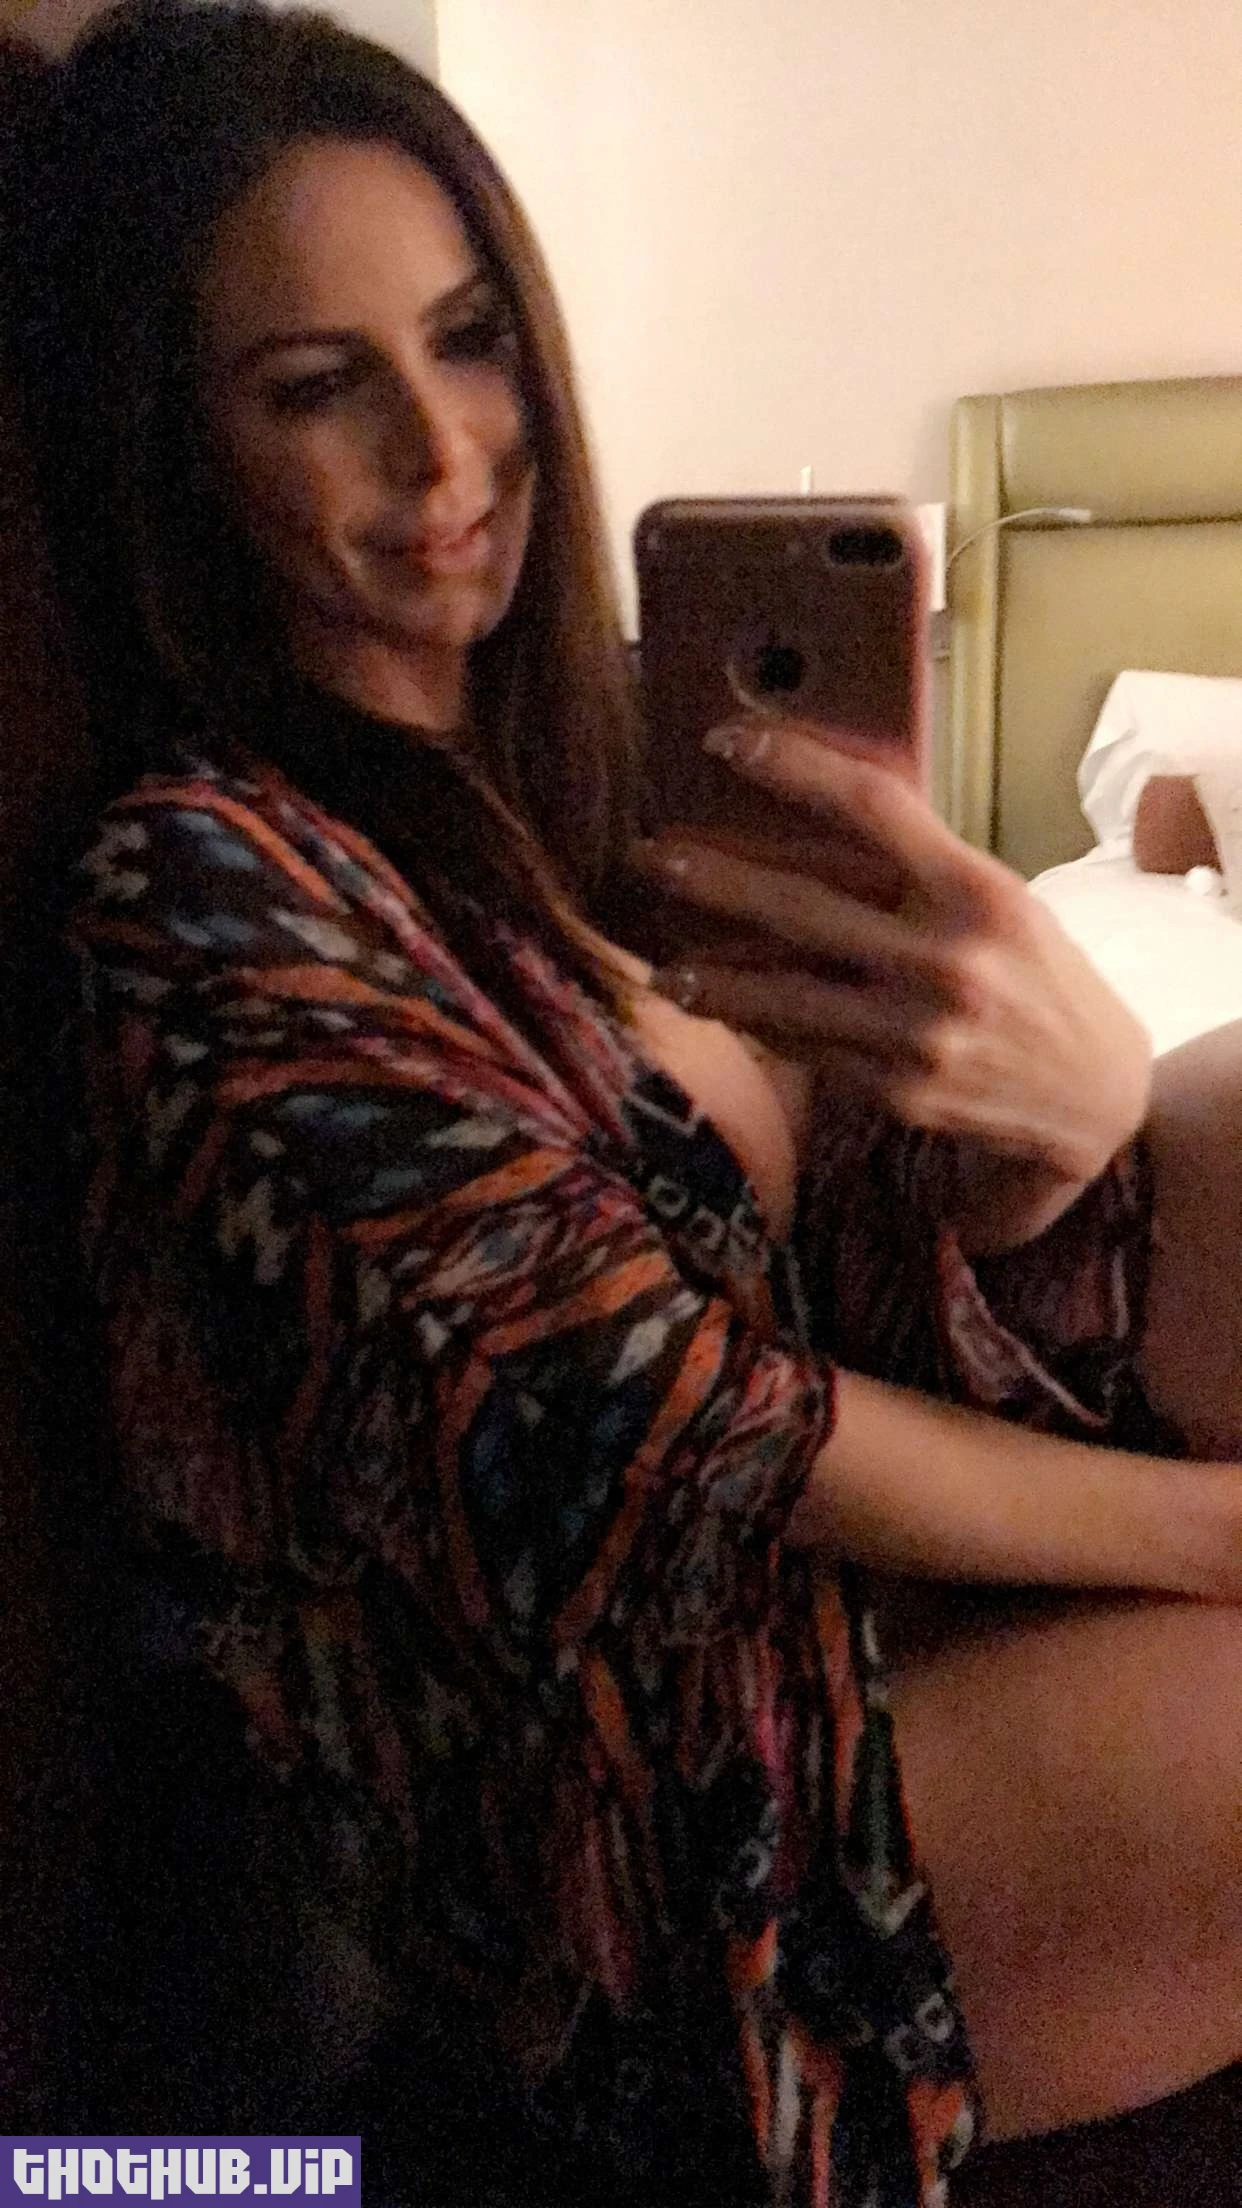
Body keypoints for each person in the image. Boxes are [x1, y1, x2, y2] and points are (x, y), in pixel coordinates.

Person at [10, 1, 1242, 2199]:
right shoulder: (195, 883)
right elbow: (671, 1414)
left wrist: (1036, 1152)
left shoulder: (592, 783)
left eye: (469, 340)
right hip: (642, 1803)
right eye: (317, 386)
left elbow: (839, 1271)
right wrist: (1211, 1542)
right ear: (176, 443)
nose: (444, 451)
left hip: (844, 1596)